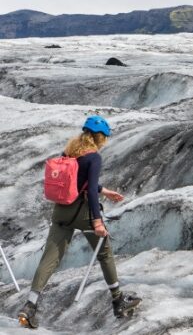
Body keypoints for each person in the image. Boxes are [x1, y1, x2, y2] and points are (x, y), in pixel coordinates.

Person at [18, 116, 141, 329]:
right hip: (83, 212)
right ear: (99, 136)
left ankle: (29, 306)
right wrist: (97, 221)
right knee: (104, 254)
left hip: (61, 211)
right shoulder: (94, 157)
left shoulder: (69, 152)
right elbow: (90, 190)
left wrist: (105, 190)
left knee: (50, 258)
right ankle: (118, 300)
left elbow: (76, 181)